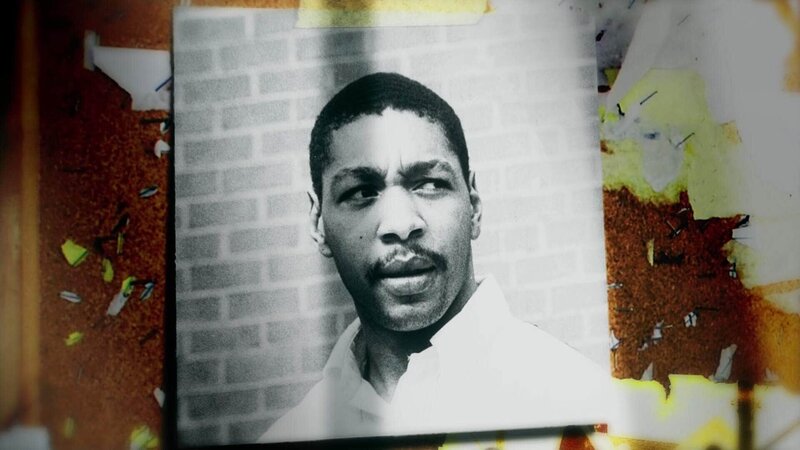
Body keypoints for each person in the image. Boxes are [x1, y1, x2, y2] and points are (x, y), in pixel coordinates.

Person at [260, 72, 608, 443]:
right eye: (361, 192)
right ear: (318, 223)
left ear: (474, 205)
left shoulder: (583, 408)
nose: (400, 224)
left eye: (429, 184)